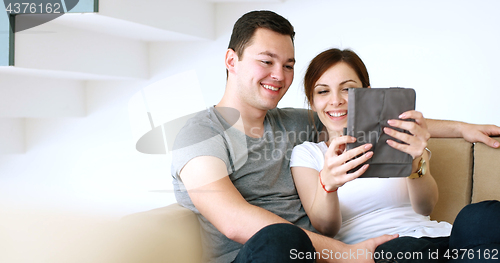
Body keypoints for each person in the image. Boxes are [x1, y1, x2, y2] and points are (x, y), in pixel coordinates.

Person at [171, 10, 500, 263]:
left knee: (480, 216)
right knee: (282, 240)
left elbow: (376, 120)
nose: (279, 75)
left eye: (288, 65)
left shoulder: (294, 123)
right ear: (232, 60)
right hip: (274, 252)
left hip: (320, 256)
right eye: (266, 61)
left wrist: (461, 129)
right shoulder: (200, 134)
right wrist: (345, 253)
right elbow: (234, 223)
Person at [290, 48, 500, 262]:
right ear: (312, 101)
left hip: (442, 239)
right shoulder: (309, 154)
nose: (336, 101)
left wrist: (415, 164)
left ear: (367, 94)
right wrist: (328, 184)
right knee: (405, 249)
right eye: (323, 91)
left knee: (482, 215)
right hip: (392, 250)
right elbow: (326, 229)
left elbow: (425, 207)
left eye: (347, 89)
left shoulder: (402, 138)